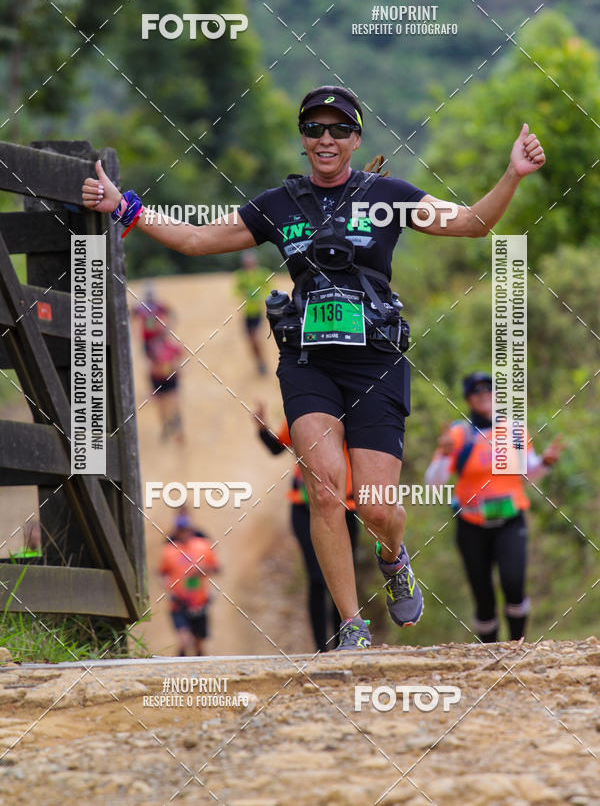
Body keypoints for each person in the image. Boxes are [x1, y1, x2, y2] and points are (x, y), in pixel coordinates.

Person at [82, 83, 546, 649]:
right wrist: (125, 207)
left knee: (378, 507)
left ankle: (394, 557)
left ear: (356, 138)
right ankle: (351, 626)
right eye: (314, 129)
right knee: (326, 491)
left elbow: (473, 222)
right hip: (307, 363)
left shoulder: (388, 195)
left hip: (376, 362)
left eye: (338, 129)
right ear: (303, 138)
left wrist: (513, 175)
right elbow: (199, 239)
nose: (325, 139)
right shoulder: (280, 205)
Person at [425, 372, 565, 642]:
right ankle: (488, 655)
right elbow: (434, 483)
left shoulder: (514, 431)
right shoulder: (459, 434)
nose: (485, 397)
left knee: (514, 584)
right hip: (471, 524)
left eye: (490, 391)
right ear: (468, 399)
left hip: (510, 520)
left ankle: (517, 646)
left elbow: (528, 473)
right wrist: (444, 455)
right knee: (483, 596)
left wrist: (546, 462)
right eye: (477, 392)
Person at [253, 402, 358, 651]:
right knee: (317, 578)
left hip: (346, 509)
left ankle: (345, 643)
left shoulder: (351, 417)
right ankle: (322, 649)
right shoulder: (302, 415)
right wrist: (261, 429)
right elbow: (277, 448)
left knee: (341, 578)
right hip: (304, 507)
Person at [158, 514, 219, 656]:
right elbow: (162, 574)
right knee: (184, 640)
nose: (183, 533)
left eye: (185, 529)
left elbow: (216, 568)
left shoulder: (203, 546)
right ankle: (178, 668)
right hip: (179, 603)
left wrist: (203, 570)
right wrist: (169, 590)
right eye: (180, 530)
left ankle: (201, 671)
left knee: (199, 643)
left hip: (199, 602)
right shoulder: (169, 551)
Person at [233, 250, 271, 375]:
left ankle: (263, 363)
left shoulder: (263, 273)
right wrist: (244, 293)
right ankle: (259, 362)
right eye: (246, 262)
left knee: (255, 338)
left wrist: (260, 295)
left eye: (250, 262)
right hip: (247, 313)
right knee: (250, 341)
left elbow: (270, 289)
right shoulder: (240, 275)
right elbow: (235, 292)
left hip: (258, 312)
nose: (248, 264)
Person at [147, 330, 185, 443]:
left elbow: (181, 357)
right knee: (162, 407)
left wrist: (176, 367)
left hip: (171, 380)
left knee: (174, 405)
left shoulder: (172, 347)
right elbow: (151, 367)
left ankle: (178, 431)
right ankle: (166, 427)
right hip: (159, 381)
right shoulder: (154, 348)